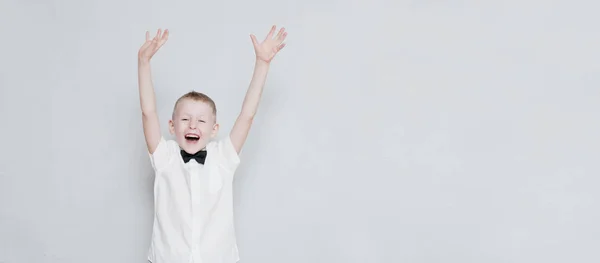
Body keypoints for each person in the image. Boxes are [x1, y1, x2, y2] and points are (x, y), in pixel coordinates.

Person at [137, 25, 287, 263]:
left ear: (214, 129)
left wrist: (262, 64)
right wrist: (143, 63)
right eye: (185, 119)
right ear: (172, 126)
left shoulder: (223, 157)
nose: (193, 125)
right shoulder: (164, 157)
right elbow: (148, 112)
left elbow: (247, 115)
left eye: (201, 120)